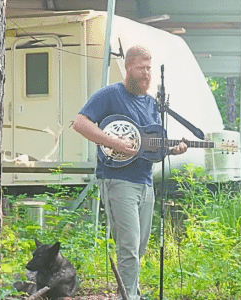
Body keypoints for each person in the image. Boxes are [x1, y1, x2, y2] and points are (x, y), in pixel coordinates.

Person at [72, 45, 187, 300]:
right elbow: (80, 123)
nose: (146, 74)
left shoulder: (151, 104)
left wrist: (172, 150)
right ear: (128, 68)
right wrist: (113, 142)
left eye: (149, 68)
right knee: (129, 247)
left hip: (145, 182)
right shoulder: (110, 94)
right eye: (140, 68)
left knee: (140, 246)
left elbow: (146, 146)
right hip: (118, 180)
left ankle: (131, 292)